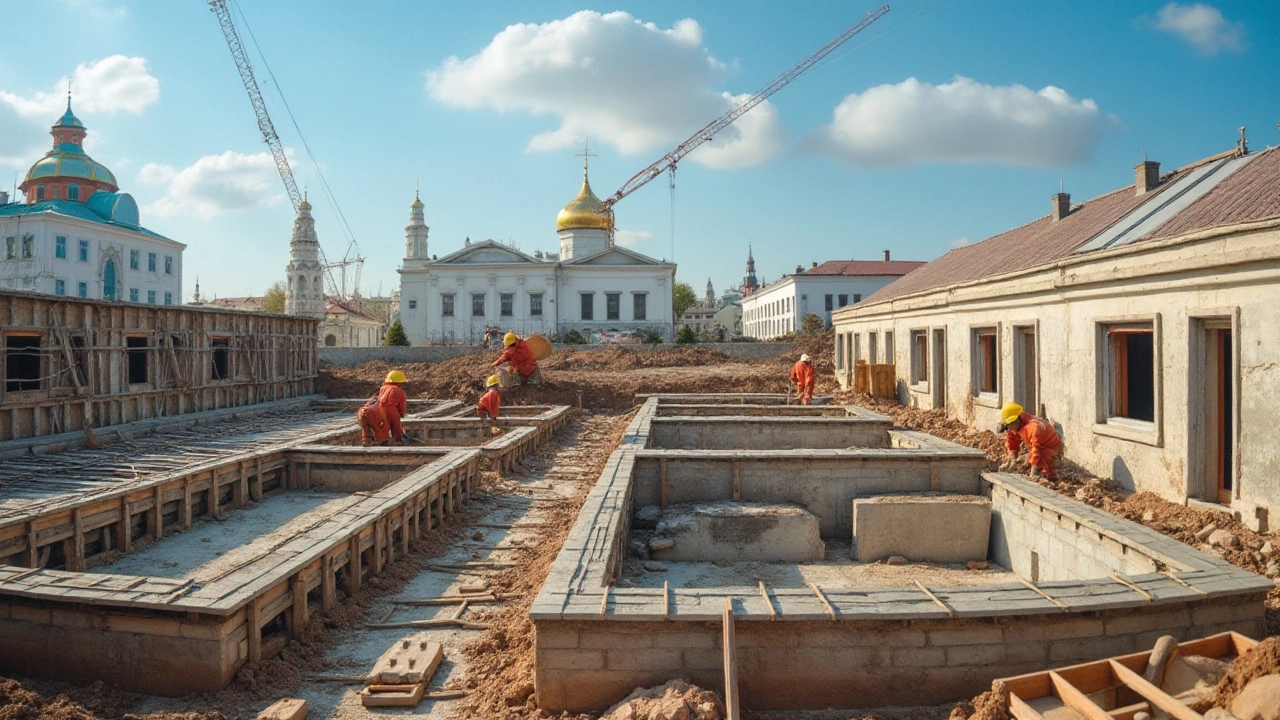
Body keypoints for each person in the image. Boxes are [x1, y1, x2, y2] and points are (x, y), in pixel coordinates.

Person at [998, 402, 1062, 479]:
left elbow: (1037, 450)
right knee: (1027, 462)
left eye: (1008, 426)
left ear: (1017, 419)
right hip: (1036, 446)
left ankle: (1051, 475)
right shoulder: (1018, 424)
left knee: (1048, 472)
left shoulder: (1034, 428)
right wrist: (1012, 456)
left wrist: (1034, 471)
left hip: (1051, 448)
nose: (1008, 429)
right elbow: (1012, 438)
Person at [357, 370, 409, 446]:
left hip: (362, 412)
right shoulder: (398, 393)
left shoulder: (383, 389)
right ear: (401, 383)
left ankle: (367, 444)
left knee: (366, 433)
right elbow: (396, 424)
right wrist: (399, 440)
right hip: (375, 415)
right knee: (382, 437)